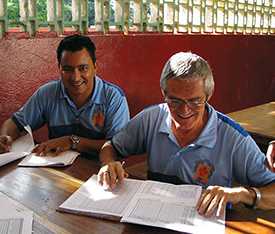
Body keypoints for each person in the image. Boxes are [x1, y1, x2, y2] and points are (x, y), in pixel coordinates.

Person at [98, 52, 275, 218]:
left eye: (194, 101)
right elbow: (111, 147)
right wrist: (108, 163)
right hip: (151, 218)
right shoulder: (151, 119)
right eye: (175, 101)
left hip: (202, 222)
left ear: (209, 95)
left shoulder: (233, 139)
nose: (184, 111)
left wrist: (242, 194)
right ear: (163, 93)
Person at [0, 34, 129, 157]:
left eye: (83, 68)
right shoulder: (48, 93)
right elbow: (15, 123)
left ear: (95, 67)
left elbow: (118, 147)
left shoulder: (113, 98)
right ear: (59, 68)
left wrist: (72, 141)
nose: (76, 77)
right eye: (68, 69)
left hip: (97, 172)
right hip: (55, 168)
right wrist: (5, 138)